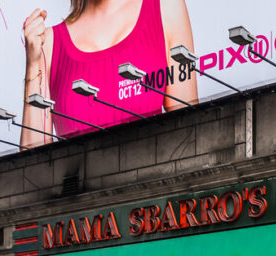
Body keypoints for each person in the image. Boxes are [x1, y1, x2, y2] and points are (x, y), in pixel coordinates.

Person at [20, 0, 198, 148]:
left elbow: (190, 134)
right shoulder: (49, 42)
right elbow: (33, 169)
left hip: (155, 188)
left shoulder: (165, 7)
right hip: (77, 189)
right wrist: (33, 64)